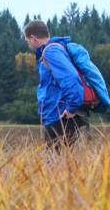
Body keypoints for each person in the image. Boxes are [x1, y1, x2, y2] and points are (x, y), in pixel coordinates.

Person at [23, 19, 92, 147]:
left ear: (33, 38)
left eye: (27, 40)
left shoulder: (51, 52)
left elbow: (72, 78)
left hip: (60, 117)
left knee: (56, 162)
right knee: (60, 163)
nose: (28, 43)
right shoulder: (54, 50)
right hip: (57, 116)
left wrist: (72, 107)